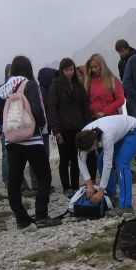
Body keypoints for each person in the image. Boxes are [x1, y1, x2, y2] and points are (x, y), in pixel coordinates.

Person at [0, 55, 60, 229]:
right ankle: (41, 215)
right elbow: (37, 110)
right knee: (44, 176)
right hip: (32, 139)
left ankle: (21, 218)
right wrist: (39, 125)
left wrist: (9, 125)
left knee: (14, 180)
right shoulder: (29, 85)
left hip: (11, 140)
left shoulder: (3, 88)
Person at [75, 115, 136, 214]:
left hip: (135, 130)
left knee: (121, 163)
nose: (88, 152)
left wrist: (100, 191)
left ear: (94, 143)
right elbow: (81, 160)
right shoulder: (83, 136)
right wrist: (89, 183)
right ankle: (112, 195)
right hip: (119, 133)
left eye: (89, 150)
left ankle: (126, 206)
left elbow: (108, 164)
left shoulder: (106, 137)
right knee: (100, 162)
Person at [48, 58, 91, 199]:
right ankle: (66, 187)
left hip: (78, 127)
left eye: (71, 69)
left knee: (76, 158)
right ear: (62, 70)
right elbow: (52, 108)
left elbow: (85, 107)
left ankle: (75, 185)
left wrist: (87, 126)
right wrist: (56, 130)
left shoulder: (78, 85)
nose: (69, 72)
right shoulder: (56, 85)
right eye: (66, 70)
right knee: (64, 159)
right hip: (63, 128)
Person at [85, 53, 125, 179]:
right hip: (95, 121)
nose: (93, 69)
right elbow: (89, 101)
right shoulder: (89, 82)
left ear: (101, 65)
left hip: (111, 120)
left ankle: (115, 179)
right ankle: (106, 180)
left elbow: (120, 99)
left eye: (96, 66)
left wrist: (105, 111)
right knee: (101, 151)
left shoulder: (112, 80)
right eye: (91, 67)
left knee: (111, 151)